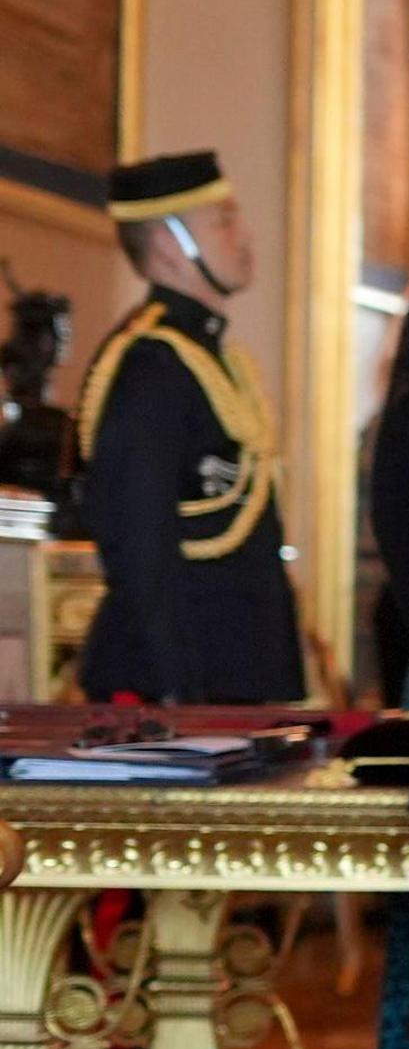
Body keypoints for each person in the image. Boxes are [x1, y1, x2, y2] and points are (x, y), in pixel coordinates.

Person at [77, 151, 306, 704]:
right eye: (224, 223)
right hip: (188, 685)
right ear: (167, 245)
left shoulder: (213, 360)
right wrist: (176, 692)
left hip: (238, 673)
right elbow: (140, 547)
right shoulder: (150, 365)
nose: (245, 237)